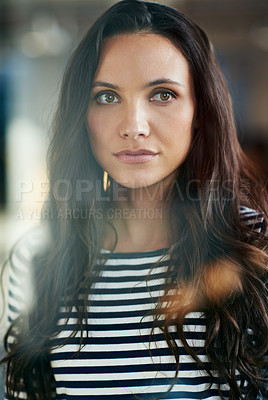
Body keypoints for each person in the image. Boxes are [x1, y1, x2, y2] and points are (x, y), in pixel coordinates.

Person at [1, 0, 268, 399]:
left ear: (200, 111)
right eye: (107, 97)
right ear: (82, 116)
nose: (133, 126)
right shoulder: (39, 260)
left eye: (162, 94)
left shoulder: (255, 245)